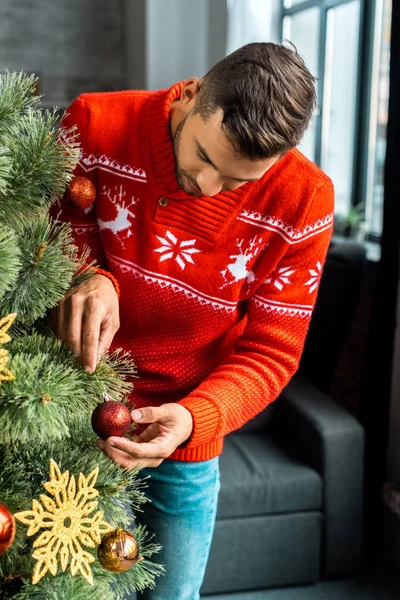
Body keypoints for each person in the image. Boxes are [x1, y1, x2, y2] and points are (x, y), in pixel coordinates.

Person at [51, 42, 334, 600]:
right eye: (203, 156)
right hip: (69, 418)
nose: (207, 188)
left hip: (185, 443)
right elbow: (41, 243)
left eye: (236, 182)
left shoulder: (305, 200)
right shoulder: (95, 123)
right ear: (196, 91)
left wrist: (195, 418)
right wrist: (91, 276)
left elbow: (272, 353)